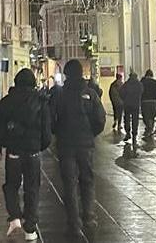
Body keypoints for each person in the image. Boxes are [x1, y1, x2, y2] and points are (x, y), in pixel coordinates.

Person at [0, 68, 50, 241]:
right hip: (32, 153)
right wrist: (40, 146)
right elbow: (47, 131)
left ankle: (15, 217)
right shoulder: (41, 101)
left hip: (14, 153)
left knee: (11, 185)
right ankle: (30, 228)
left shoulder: (7, 102)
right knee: (32, 188)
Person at [51, 59, 106, 237]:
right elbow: (99, 120)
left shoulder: (58, 95)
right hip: (85, 144)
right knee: (87, 180)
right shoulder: (90, 93)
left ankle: (74, 221)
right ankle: (89, 216)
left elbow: (52, 120)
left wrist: (59, 132)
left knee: (69, 183)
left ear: (66, 74)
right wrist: (90, 134)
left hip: (66, 144)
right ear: (81, 73)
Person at [119, 71, 142, 149]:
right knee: (135, 119)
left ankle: (128, 132)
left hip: (127, 104)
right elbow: (141, 92)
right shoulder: (139, 84)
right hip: (135, 104)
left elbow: (121, 92)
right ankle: (134, 134)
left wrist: (124, 99)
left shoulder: (126, 84)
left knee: (127, 119)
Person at [140, 70, 156, 138]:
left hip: (144, 101)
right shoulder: (155, 82)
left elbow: (140, 92)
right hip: (153, 101)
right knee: (152, 114)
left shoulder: (142, 82)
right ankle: (151, 126)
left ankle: (149, 126)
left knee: (146, 115)